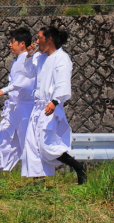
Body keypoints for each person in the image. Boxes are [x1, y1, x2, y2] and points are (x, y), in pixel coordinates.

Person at [22, 26, 86, 184]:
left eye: (39, 38)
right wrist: (30, 53)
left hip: (50, 106)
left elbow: (62, 83)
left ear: (49, 39)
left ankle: (78, 167)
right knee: (32, 144)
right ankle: (38, 182)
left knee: (46, 145)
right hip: (39, 106)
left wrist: (55, 101)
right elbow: (29, 72)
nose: (36, 41)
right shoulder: (41, 58)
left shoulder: (61, 58)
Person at [0, 27, 42, 183]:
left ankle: (37, 175)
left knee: (27, 141)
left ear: (22, 44)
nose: (10, 45)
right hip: (13, 107)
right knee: (1, 136)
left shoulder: (28, 59)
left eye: (12, 42)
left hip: (25, 107)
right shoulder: (18, 60)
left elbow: (23, 82)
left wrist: (3, 90)